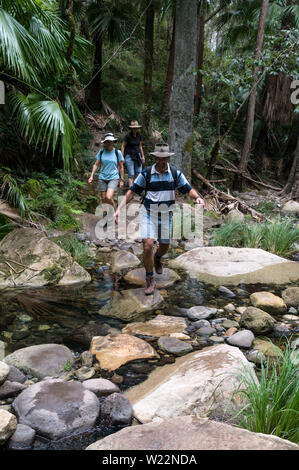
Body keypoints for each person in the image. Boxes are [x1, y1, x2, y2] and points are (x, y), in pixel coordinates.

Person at [115, 143, 205, 295]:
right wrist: (118, 209)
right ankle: (150, 278)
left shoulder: (175, 173)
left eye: (165, 158)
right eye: (159, 158)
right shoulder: (147, 174)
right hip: (149, 213)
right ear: (155, 157)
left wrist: (197, 198)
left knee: (164, 246)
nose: (162, 161)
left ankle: (157, 258)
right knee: (148, 245)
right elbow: (131, 192)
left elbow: (188, 189)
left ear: (168, 158)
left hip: (166, 215)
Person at [88, 133, 124, 209]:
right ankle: (106, 214)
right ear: (105, 142)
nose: (109, 143)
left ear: (113, 142)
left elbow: (121, 167)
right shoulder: (101, 152)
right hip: (102, 177)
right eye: (107, 141)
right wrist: (91, 176)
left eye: (111, 141)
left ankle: (114, 211)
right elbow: (96, 164)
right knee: (103, 198)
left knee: (108, 197)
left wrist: (121, 180)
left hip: (113, 177)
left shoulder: (117, 153)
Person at [121, 120, 145, 188]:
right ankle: (131, 190)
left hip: (137, 155)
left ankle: (133, 188)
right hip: (129, 155)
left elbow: (140, 146)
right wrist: (122, 157)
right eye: (133, 128)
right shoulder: (128, 136)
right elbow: (123, 146)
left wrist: (143, 156)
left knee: (138, 172)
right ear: (131, 128)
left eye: (136, 128)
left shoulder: (139, 135)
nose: (135, 129)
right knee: (131, 174)